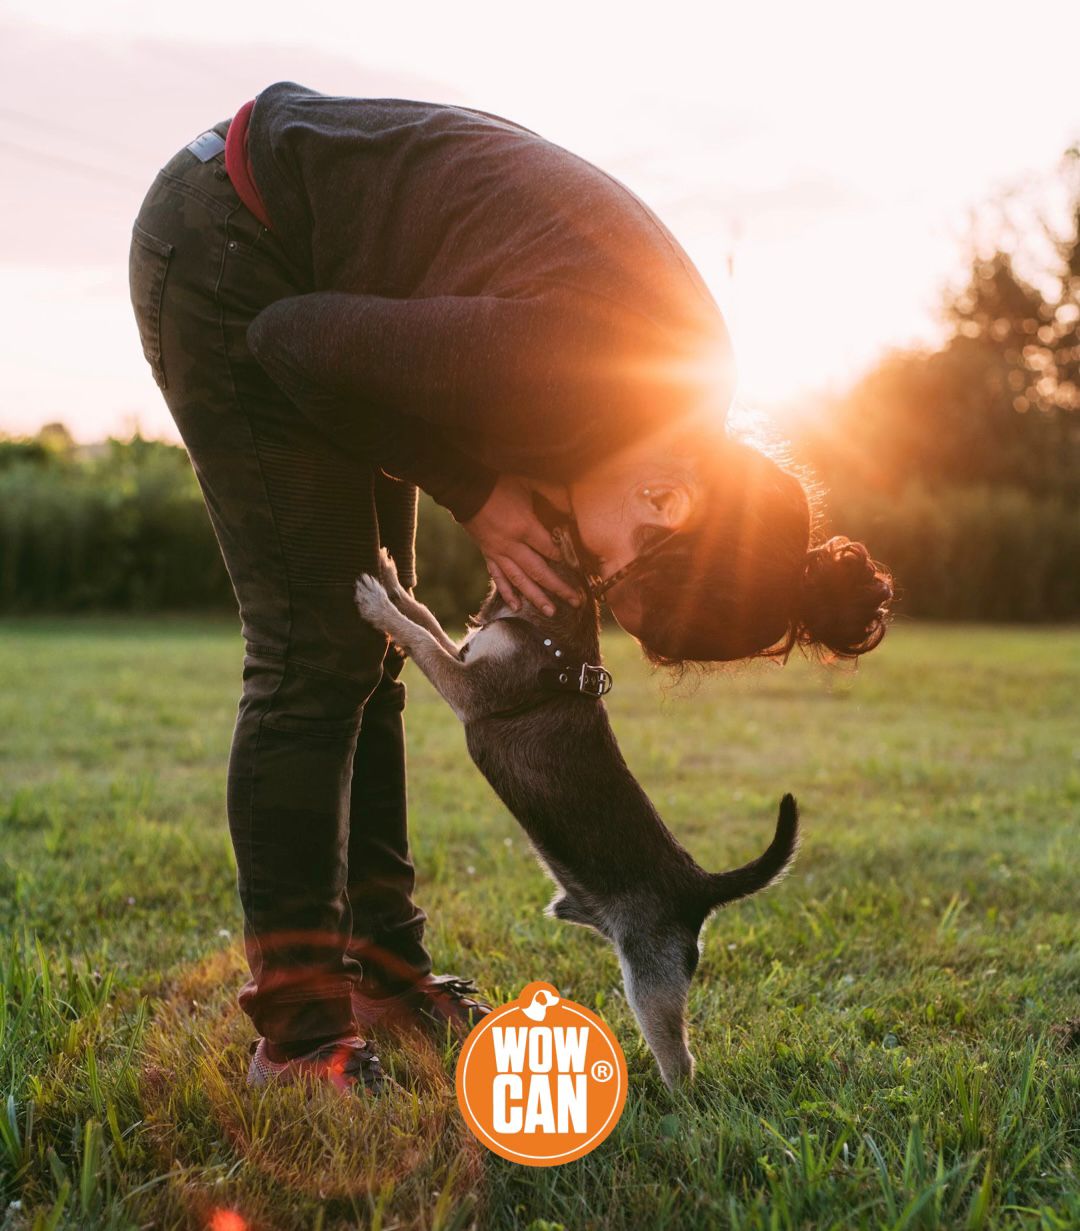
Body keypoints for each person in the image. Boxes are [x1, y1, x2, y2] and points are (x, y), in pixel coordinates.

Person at [128, 83, 892, 1095]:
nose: (585, 568)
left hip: (313, 271)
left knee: (371, 654)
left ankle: (386, 977)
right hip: (234, 240)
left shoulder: (674, 395)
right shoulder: (581, 368)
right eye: (612, 566)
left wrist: (486, 482)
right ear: (670, 501)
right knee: (316, 648)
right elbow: (287, 341)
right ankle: (301, 1039)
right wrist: (476, 490)